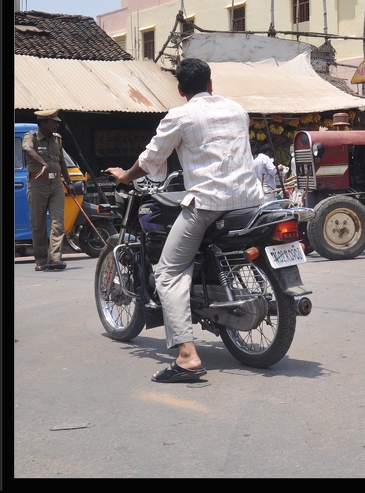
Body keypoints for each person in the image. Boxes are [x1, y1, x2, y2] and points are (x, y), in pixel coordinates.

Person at [106, 58, 264, 384]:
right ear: (210, 83)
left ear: (180, 89)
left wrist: (125, 175)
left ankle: (187, 356)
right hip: (251, 201)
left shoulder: (180, 116)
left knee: (168, 271)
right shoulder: (237, 110)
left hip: (208, 205)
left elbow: (150, 161)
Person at [22, 109, 74, 271]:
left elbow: (62, 162)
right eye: (54, 122)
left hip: (56, 183)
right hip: (37, 183)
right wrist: (43, 164)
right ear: (44, 123)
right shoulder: (32, 136)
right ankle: (40, 259)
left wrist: (69, 182)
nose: (58, 124)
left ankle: (55, 258)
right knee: (38, 223)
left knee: (58, 221)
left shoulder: (57, 139)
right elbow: (27, 149)